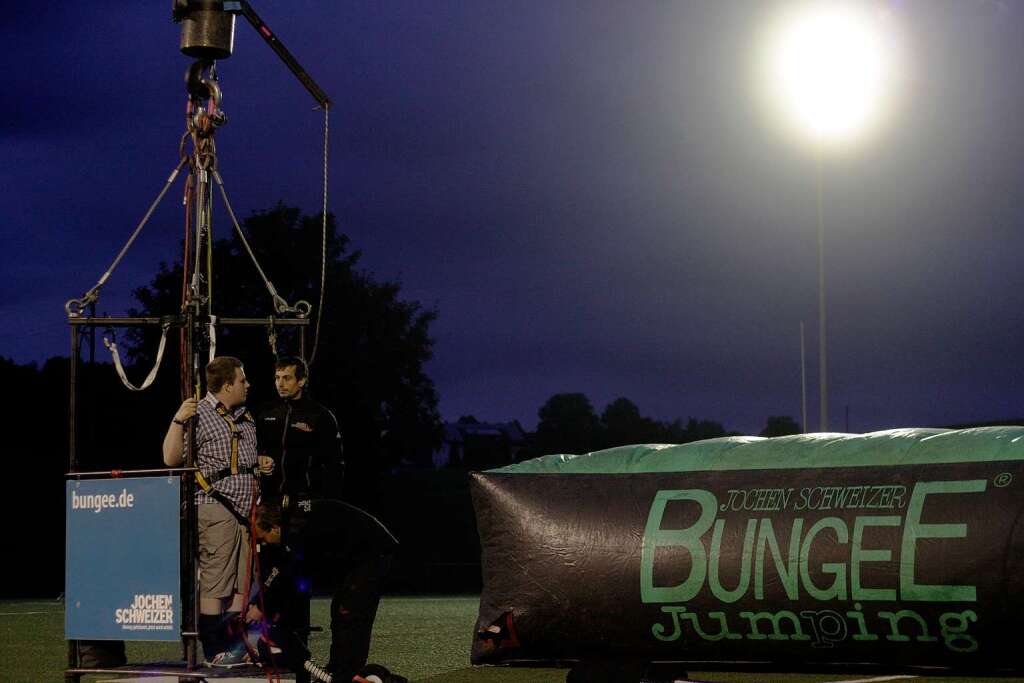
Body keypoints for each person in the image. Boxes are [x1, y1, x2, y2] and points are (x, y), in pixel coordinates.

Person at [162, 356, 271, 662]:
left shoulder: (245, 416)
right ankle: (212, 649)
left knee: (241, 583)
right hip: (215, 507)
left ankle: (234, 647)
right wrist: (178, 419)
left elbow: (237, 459)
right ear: (227, 385)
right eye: (242, 380)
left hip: (246, 511)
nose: (247, 385)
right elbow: (171, 458)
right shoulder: (200, 413)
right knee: (217, 582)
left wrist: (260, 462)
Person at [234, 500, 403, 682]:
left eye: (262, 538)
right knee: (340, 612)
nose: (263, 543)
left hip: (373, 554)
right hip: (358, 554)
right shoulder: (291, 518)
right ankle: (338, 670)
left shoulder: (298, 529)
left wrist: (262, 607)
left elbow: (286, 572)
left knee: (350, 614)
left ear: (274, 528)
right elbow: (282, 572)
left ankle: (344, 675)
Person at [257, 356, 345, 506]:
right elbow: (252, 448)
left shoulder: (320, 415)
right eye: (277, 378)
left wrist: (328, 503)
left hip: (307, 500)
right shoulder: (266, 412)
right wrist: (258, 458)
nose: (280, 384)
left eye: (287, 378)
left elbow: (335, 464)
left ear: (301, 381)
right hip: (269, 500)